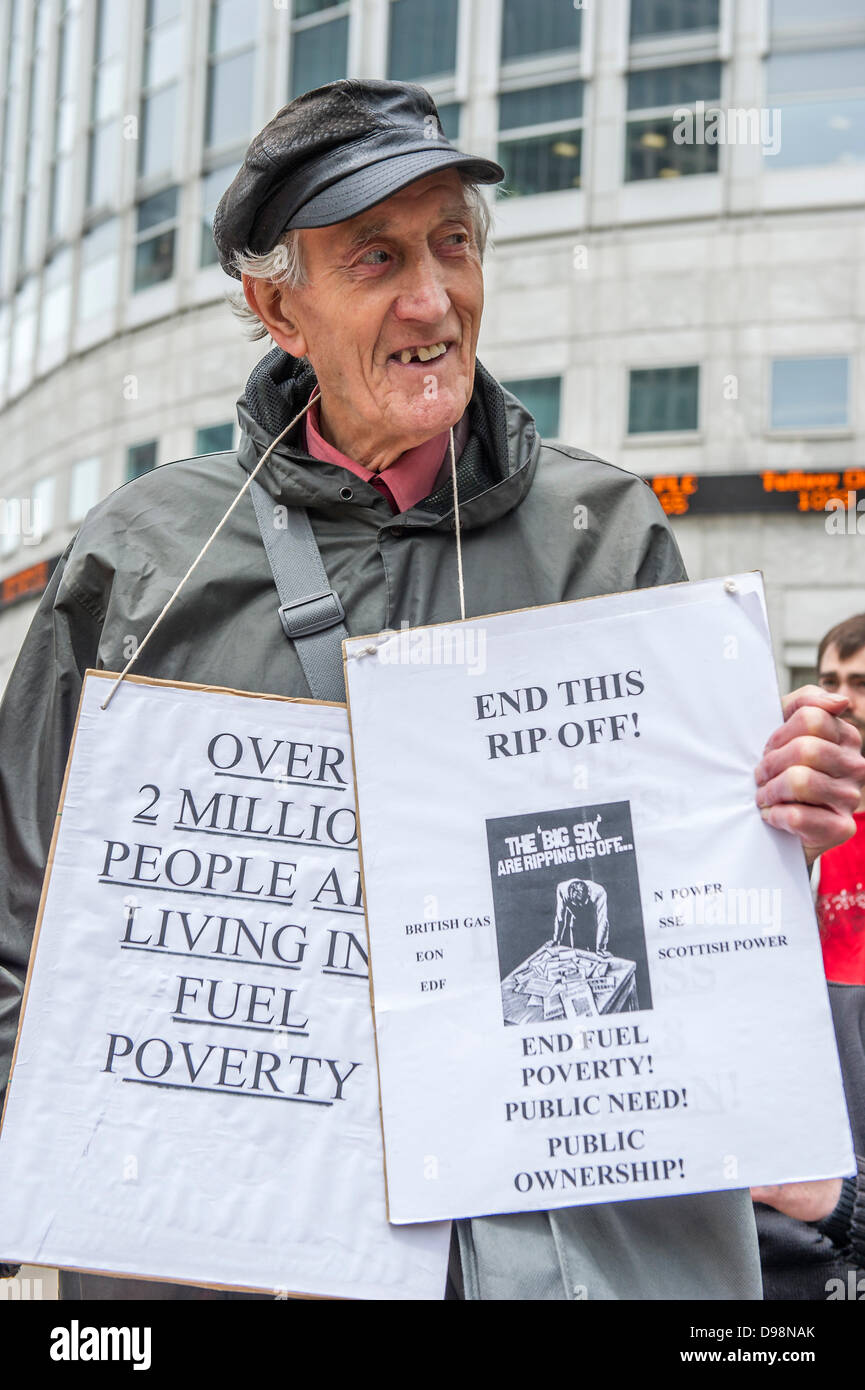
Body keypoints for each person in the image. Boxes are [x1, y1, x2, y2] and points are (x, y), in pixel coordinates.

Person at [1, 78, 863, 1301]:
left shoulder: (602, 529)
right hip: (220, 1253)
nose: (432, 298)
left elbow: (679, 894)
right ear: (276, 307)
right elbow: (16, 921)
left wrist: (773, 816)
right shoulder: (140, 556)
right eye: (375, 257)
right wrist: (58, 1168)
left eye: (452, 244)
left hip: (542, 1257)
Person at [752, 614, 865, 1298]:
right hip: (823, 1052)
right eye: (829, 681)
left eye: (858, 682)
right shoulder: (789, 811)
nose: (842, 698)